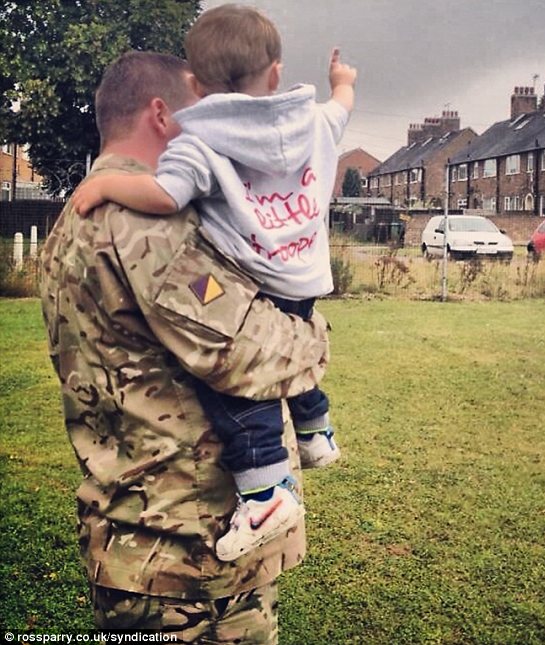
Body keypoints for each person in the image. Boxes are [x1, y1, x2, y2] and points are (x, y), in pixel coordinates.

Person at [40, 50, 331, 643]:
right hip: (190, 562)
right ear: (162, 115)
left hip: (136, 542)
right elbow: (249, 351)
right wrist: (311, 329)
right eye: (202, 116)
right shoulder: (146, 219)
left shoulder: (77, 213)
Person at [72, 4, 357, 562]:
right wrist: (342, 84)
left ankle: (309, 435)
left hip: (139, 520)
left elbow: (169, 195)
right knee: (237, 390)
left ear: (201, 85)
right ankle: (274, 482)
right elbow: (237, 351)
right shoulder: (314, 123)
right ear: (276, 72)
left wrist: (103, 187)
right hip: (181, 549)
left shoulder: (188, 157)